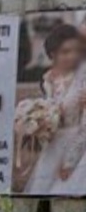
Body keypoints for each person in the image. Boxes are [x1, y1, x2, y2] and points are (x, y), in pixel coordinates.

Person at [23, 24, 86, 196]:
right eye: (64, 52)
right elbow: (48, 110)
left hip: (78, 149)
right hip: (52, 149)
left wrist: (69, 162)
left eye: (74, 51)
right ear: (52, 55)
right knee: (42, 198)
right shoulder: (47, 80)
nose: (71, 56)